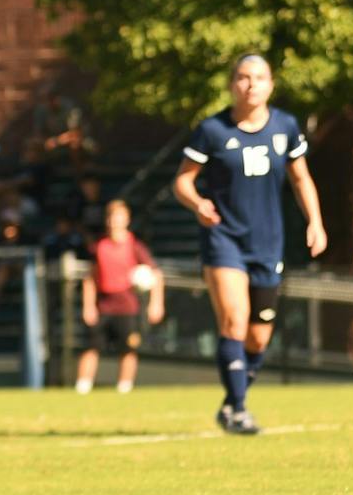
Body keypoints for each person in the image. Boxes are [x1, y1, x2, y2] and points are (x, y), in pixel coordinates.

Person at [173, 54, 327, 434]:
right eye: (243, 77)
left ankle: (230, 403)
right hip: (223, 238)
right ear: (232, 85)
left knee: (258, 336)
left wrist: (316, 223)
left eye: (259, 78)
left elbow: (301, 179)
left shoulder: (286, 127)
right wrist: (198, 204)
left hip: (268, 243)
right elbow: (182, 181)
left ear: (271, 85)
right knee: (233, 320)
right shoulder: (212, 129)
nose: (251, 84)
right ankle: (240, 410)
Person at [76, 200, 164, 394]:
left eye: (119, 217)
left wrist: (156, 304)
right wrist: (88, 306)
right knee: (91, 347)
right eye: (112, 217)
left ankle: (124, 386)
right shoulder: (99, 246)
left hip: (127, 305)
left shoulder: (135, 246)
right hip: (104, 304)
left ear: (127, 219)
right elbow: (90, 278)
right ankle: (83, 386)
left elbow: (156, 275)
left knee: (128, 349)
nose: (115, 222)